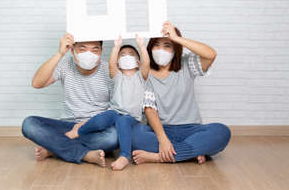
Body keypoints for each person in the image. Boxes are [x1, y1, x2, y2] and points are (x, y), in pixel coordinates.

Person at [131, 21, 231, 164]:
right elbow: (150, 109)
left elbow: (211, 54)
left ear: (175, 49)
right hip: (160, 130)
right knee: (135, 135)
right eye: (157, 45)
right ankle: (191, 152)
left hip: (191, 129)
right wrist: (163, 139)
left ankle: (160, 157)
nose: (160, 50)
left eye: (167, 45)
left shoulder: (187, 64)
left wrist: (177, 38)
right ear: (150, 47)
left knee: (222, 132)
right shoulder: (145, 72)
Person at [21, 33, 117, 167]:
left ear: (101, 51)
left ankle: (54, 148)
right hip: (68, 126)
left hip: (95, 127)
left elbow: (116, 108)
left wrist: (86, 124)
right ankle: (85, 154)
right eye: (82, 49)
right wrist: (59, 54)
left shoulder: (110, 70)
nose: (89, 54)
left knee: (112, 137)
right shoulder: (66, 64)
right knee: (29, 124)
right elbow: (37, 83)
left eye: (95, 49)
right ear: (72, 50)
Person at [65, 34, 149, 170]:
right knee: (100, 119)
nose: (127, 56)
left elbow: (147, 63)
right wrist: (116, 47)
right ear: (117, 62)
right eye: (123, 55)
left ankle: (124, 156)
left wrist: (141, 46)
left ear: (138, 62)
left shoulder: (141, 76)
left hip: (131, 117)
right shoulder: (116, 76)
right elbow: (111, 64)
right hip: (114, 112)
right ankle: (79, 131)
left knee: (123, 121)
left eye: (131, 54)